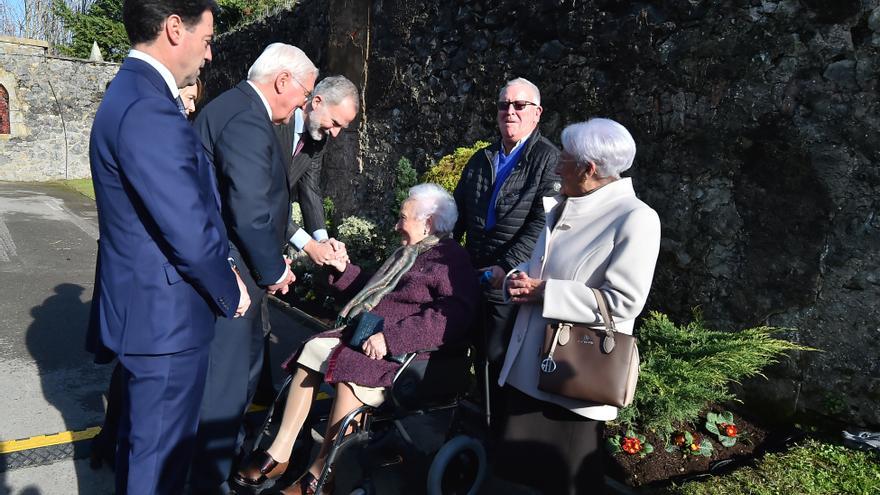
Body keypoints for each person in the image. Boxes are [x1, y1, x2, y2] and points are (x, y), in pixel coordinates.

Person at [86, 0, 250, 493]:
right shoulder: (148, 107)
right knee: (158, 468)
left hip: (149, 315)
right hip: (166, 323)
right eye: (208, 39)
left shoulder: (134, 93)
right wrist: (230, 288)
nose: (210, 54)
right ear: (175, 29)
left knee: (144, 456)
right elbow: (187, 226)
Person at [234, 183, 480, 495]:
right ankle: (279, 453)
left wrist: (391, 338)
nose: (396, 225)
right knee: (313, 349)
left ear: (427, 223)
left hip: (410, 355)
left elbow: (451, 317)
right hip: (372, 338)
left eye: (402, 218)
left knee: (352, 368)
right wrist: (343, 269)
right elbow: (375, 294)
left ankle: (322, 476)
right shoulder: (410, 253)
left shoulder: (450, 260)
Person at [495, 118, 661, 494]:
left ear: (588, 168)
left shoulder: (636, 218)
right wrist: (514, 280)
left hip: (572, 381)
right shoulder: (565, 206)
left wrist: (546, 293)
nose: (556, 168)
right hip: (528, 368)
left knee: (563, 481)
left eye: (564, 160)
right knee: (518, 479)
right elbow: (538, 267)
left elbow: (624, 302)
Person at [188, 43, 318, 494]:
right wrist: (274, 270)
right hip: (233, 272)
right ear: (282, 81)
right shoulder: (246, 117)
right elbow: (249, 210)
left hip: (236, 267)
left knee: (235, 380)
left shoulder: (241, 109)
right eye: (304, 94)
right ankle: (208, 480)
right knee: (223, 388)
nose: (302, 104)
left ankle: (220, 466)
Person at [88, 76, 206, 473]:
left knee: (132, 378)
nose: (191, 106)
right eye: (188, 96)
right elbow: (177, 218)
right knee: (143, 395)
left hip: (136, 280)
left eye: (194, 99)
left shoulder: (140, 115)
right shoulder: (150, 121)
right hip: (154, 286)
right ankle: (112, 439)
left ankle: (109, 439)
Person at [452, 77, 560, 423]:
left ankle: (496, 433)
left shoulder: (548, 160)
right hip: (472, 274)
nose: (509, 112)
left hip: (510, 280)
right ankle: (466, 422)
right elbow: (457, 212)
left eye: (519, 105)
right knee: (463, 352)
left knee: (497, 359)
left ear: (537, 113)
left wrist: (507, 266)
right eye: (503, 105)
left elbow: (542, 222)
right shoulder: (482, 158)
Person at [275, 75, 359, 265]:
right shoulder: (276, 124)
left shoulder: (317, 138)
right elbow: (263, 198)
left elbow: (310, 188)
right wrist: (309, 245)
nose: (335, 133)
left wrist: (323, 241)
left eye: (342, 127)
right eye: (335, 122)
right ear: (317, 102)